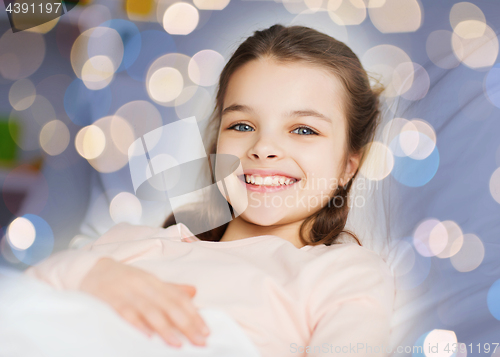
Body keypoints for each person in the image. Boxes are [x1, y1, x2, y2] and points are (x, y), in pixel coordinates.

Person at [24, 24, 395, 356]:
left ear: (349, 165)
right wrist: (91, 272)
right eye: (242, 125)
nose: (263, 147)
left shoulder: (340, 272)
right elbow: (20, 306)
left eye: (303, 130)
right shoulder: (130, 242)